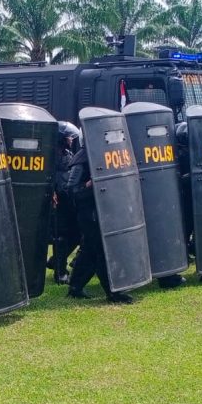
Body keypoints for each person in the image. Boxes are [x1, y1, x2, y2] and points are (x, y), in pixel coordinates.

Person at [63, 140, 133, 304]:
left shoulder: (100, 153)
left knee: (89, 251)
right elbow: (72, 190)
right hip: (90, 213)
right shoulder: (82, 158)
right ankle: (113, 292)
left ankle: (75, 287)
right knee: (103, 251)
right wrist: (89, 185)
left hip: (102, 211)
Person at [50, 121, 81, 285]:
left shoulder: (68, 153)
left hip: (69, 198)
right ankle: (60, 272)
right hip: (58, 200)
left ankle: (55, 260)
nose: (71, 139)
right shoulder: (50, 156)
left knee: (76, 234)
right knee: (60, 237)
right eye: (68, 137)